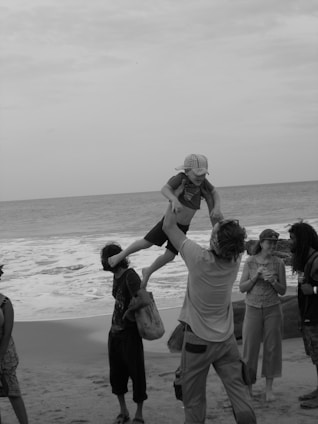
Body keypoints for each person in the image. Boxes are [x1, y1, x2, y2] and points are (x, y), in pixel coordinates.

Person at [162, 205, 257, 424]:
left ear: (214, 242)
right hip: (226, 341)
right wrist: (216, 214)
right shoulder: (235, 260)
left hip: (197, 342)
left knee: (193, 401)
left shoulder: (198, 258)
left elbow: (168, 225)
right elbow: (224, 232)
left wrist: (174, 198)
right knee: (240, 394)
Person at [108, 154, 223, 286]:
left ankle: (148, 271)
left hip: (183, 227)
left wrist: (217, 208)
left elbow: (215, 193)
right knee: (146, 243)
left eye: (203, 174)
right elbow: (165, 189)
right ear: (186, 171)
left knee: (170, 256)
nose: (200, 178)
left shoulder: (202, 183)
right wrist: (174, 199)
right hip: (170, 222)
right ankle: (121, 255)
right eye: (197, 175)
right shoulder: (181, 178)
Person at [101, 243, 148, 424]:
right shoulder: (116, 276)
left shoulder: (130, 275)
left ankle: (139, 414)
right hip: (115, 333)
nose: (103, 262)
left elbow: (143, 298)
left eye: (105, 258)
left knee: (136, 374)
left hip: (129, 333)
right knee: (117, 375)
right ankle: (123, 411)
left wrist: (128, 313)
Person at [239, 229, 287, 402]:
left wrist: (274, 281)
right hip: (252, 308)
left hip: (273, 309)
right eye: (269, 242)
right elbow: (242, 288)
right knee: (249, 349)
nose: (272, 245)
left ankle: (269, 388)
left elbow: (283, 291)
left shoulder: (278, 263)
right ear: (261, 243)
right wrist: (255, 277)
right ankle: (248, 388)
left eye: (274, 242)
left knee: (272, 348)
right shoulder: (250, 262)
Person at [288, 222, 318, 409]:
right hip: (309, 316)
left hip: (317, 317)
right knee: (315, 357)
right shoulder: (305, 260)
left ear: (303, 240)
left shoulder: (316, 260)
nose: (290, 243)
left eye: (293, 239)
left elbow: (311, 289)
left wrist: (314, 289)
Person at [0, 265, 28, 424]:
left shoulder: (5, 303)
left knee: (13, 392)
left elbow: (6, 334)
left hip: (6, 353)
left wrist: (0, 359)